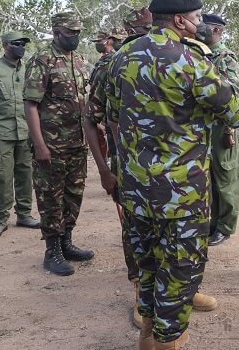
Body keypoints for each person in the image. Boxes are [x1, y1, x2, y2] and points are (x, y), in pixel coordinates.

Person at [105, 0, 239, 350]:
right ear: (180, 20)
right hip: (180, 197)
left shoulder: (121, 56)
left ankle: (147, 337)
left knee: (148, 267)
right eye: (199, 18)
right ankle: (168, 342)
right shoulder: (190, 62)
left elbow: (109, 112)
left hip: (136, 192)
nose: (201, 24)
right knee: (180, 275)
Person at [24, 11, 94, 276]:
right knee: (50, 197)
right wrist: (40, 145)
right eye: (70, 32)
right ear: (56, 32)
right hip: (51, 145)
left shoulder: (80, 61)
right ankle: (51, 251)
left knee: (73, 195)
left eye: (78, 32)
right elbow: (30, 105)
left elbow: (86, 103)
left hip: (77, 143)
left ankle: (66, 243)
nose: (75, 37)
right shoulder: (43, 60)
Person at [84, 25, 143, 327]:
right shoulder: (112, 65)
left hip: (175, 173)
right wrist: (104, 170)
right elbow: (91, 119)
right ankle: (141, 290)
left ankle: (182, 288)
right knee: (134, 227)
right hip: (128, 168)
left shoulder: (182, 59)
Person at [0, 31, 40, 241]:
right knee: (2, 177)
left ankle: (24, 215)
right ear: (6, 46)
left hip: (25, 132)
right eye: (17, 43)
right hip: (0, 133)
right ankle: (0, 219)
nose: (21, 46)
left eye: (23, 43)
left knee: (25, 174)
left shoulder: (28, 69)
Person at [199, 13, 239, 246]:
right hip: (203, 128)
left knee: (225, 178)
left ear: (216, 30)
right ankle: (213, 222)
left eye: (203, 26)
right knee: (208, 178)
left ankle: (225, 226)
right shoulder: (199, 53)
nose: (198, 29)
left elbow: (234, 93)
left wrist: (227, 129)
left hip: (220, 128)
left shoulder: (225, 57)